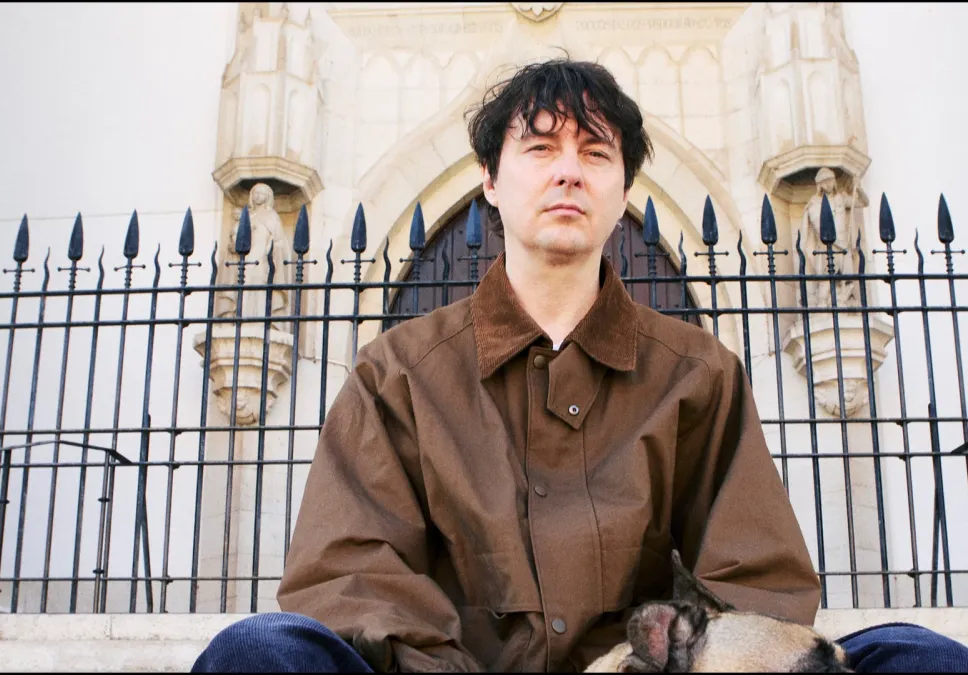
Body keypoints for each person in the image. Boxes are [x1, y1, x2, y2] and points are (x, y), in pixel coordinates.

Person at [192, 57, 968, 673]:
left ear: (623, 187)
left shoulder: (700, 373)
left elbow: (757, 585)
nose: (569, 171)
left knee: (914, 655)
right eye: (540, 149)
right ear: (491, 179)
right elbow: (350, 576)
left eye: (595, 153)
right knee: (259, 650)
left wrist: (647, 662)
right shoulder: (395, 372)